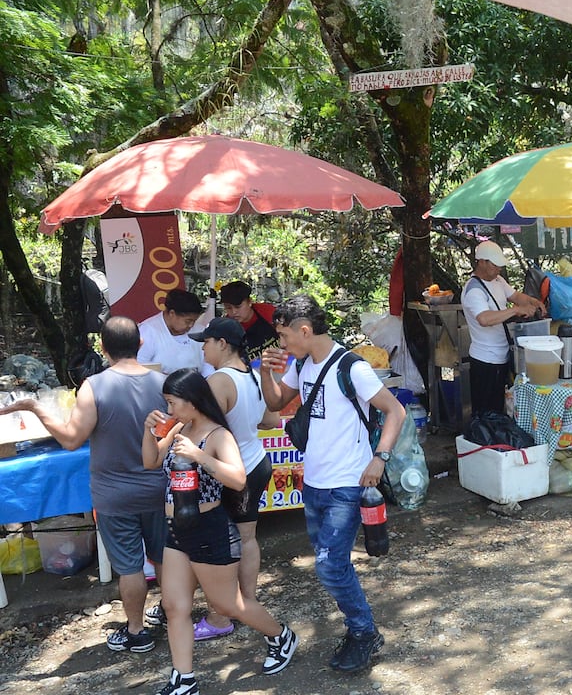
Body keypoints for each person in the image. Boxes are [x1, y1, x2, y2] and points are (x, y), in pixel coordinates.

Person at [0, 316, 168, 654]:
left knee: (131, 567)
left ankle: (137, 632)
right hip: (158, 488)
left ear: (103, 349)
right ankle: (169, 613)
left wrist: (35, 408)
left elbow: (72, 439)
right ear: (139, 344)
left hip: (114, 495)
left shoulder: (94, 386)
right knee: (163, 557)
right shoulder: (163, 382)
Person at [259, 294, 407, 672]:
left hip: (347, 484)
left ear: (304, 330)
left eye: (284, 335)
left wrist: (380, 457)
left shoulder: (352, 367)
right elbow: (275, 404)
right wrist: (266, 371)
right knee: (334, 562)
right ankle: (361, 628)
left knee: (328, 565)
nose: (282, 343)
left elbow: (396, 411)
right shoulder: (304, 362)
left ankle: (363, 631)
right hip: (314, 484)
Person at [142, 369, 297, 695]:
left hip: (208, 530)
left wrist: (199, 456)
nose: (169, 410)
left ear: (193, 400)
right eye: (166, 403)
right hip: (175, 529)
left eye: (173, 403)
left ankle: (281, 636)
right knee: (174, 606)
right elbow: (151, 461)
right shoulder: (180, 428)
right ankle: (183, 679)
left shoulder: (217, 436)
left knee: (228, 604)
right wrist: (148, 432)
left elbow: (238, 479)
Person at [186, 317, 280, 641]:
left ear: (222, 344)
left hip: (230, 471)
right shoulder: (252, 375)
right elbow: (272, 419)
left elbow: (201, 428)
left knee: (222, 543)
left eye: (206, 342)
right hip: (257, 462)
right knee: (247, 538)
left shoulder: (218, 381)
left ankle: (220, 616)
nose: (203, 348)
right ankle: (247, 603)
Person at [460, 241, 545, 415]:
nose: (498, 269)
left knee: (499, 409)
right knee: (485, 413)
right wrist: (515, 310)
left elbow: (516, 296)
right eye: (494, 265)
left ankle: (498, 440)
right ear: (481, 262)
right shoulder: (473, 290)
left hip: (501, 357)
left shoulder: (498, 280)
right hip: (485, 360)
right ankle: (484, 441)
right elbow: (484, 318)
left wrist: (533, 302)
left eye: (500, 265)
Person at [138, 289, 209, 375]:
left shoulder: (200, 331)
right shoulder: (148, 331)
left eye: (194, 321)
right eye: (188, 321)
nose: (191, 325)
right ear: (172, 313)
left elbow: (208, 365)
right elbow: (140, 367)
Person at [218, 280, 278, 363]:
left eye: (238, 307)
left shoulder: (268, 312)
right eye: (228, 308)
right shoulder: (227, 328)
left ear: (249, 302)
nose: (234, 312)